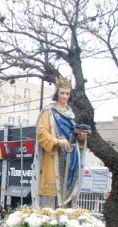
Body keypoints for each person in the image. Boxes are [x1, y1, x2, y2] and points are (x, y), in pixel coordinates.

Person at [32, 75, 89, 208]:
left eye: (67, 93)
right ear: (57, 94)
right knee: (51, 193)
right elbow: (41, 132)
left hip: (70, 156)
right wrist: (56, 141)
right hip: (54, 156)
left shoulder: (71, 115)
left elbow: (73, 137)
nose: (65, 96)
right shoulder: (49, 112)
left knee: (67, 192)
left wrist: (81, 139)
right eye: (62, 93)